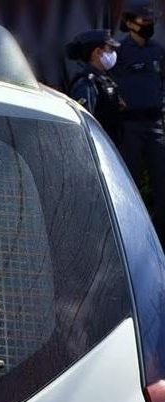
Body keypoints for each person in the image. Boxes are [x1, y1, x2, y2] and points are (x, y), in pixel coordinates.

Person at [111, 0, 165, 241]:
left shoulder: (158, 51)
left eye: (151, 20)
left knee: (162, 182)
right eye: (144, 20)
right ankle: (129, 236)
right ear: (130, 23)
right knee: (128, 183)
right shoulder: (120, 52)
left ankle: (159, 239)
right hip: (130, 126)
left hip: (155, 125)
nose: (149, 24)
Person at [67, 30, 125, 143]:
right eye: (110, 49)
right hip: (97, 143)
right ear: (97, 52)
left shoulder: (104, 79)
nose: (114, 53)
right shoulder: (87, 82)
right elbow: (85, 121)